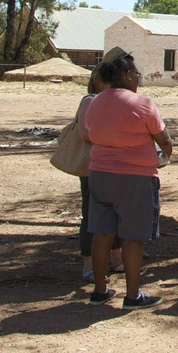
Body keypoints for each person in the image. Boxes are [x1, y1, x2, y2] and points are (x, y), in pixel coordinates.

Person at [84, 51, 173, 310]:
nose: (138, 78)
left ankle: (100, 290)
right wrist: (167, 151)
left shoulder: (95, 102)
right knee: (133, 236)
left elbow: (91, 133)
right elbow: (163, 138)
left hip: (100, 174)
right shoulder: (143, 103)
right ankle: (133, 295)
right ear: (126, 75)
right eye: (136, 74)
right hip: (135, 177)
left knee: (101, 233)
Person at [74, 48, 126, 280]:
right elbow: (84, 133)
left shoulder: (118, 100)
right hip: (94, 167)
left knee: (117, 213)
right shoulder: (90, 101)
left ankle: (116, 259)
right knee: (92, 214)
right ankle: (89, 264)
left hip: (116, 165)